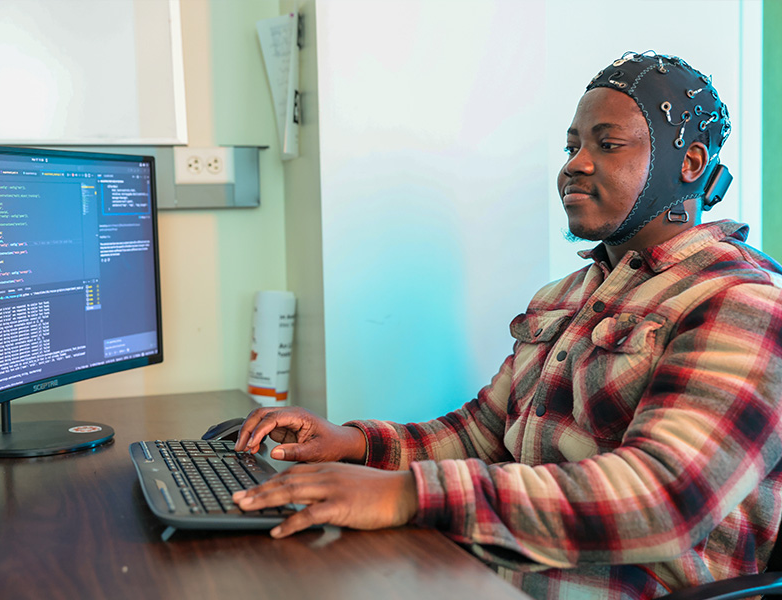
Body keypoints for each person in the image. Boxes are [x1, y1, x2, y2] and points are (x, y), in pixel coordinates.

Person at [232, 52, 782, 599]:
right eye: (572, 147)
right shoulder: (565, 296)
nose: (574, 165)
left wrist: (408, 495)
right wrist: (350, 444)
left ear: (689, 164)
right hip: (506, 562)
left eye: (606, 145)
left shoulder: (741, 302)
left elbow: (663, 499)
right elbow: (484, 435)